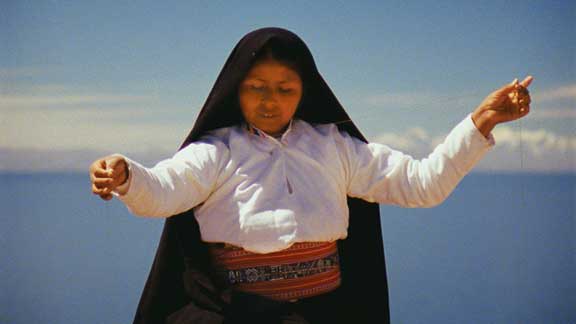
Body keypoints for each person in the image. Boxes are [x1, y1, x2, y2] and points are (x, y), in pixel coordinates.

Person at [89, 27, 533, 324]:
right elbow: (163, 192)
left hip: (324, 316)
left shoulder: (336, 148)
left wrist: (480, 124)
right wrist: (126, 175)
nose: (270, 100)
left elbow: (422, 184)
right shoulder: (216, 151)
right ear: (234, 88)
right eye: (255, 87)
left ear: (305, 92)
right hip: (234, 317)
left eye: (285, 89)